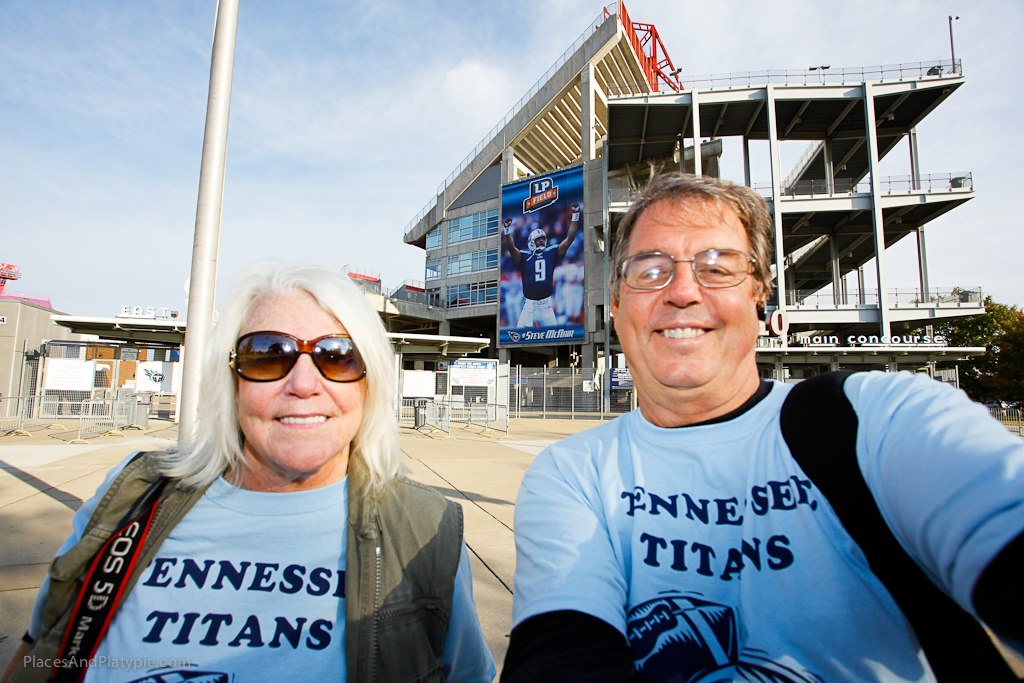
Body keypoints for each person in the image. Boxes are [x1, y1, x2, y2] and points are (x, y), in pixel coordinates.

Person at [502, 173, 1024, 682]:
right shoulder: (572, 475)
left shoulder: (877, 419)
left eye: (718, 266)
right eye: (650, 269)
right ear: (616, 303)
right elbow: (560, 651)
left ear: (760, 296)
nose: (683, 290)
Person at [4, 262, 495, 683]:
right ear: (231, 380)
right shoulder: (132, 494)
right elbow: (43, 649)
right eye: (268, 355)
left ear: (370, 384)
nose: (304, 384)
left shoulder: (426, 531)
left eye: (338, 357)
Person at [502, 203, 580, 328]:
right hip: (529, 307)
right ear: (531, 242)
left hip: (546, 306)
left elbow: (569, 239)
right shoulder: (524, 256)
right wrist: (507, 231)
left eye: (543, 239)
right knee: (517, 338)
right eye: (538, 239)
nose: (542, 241)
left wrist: (575, 215)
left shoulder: (551, 252)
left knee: (554, 339)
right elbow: (512, 248)